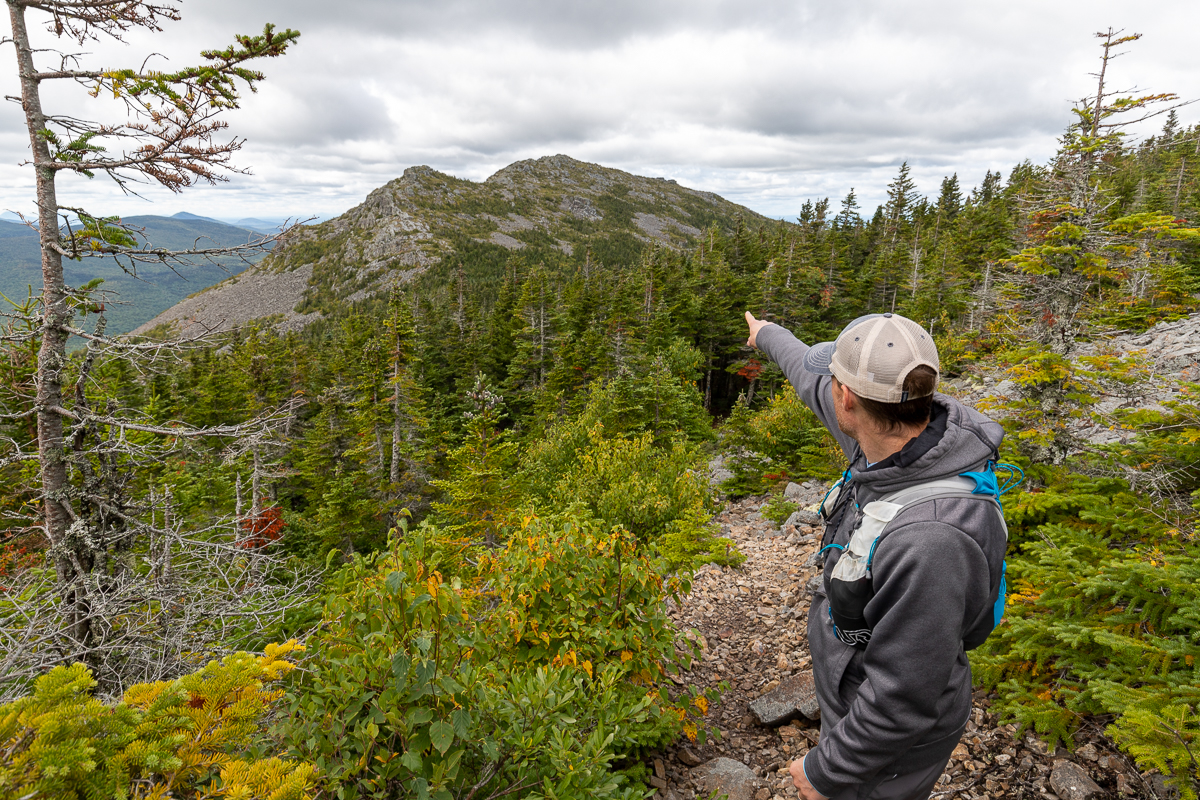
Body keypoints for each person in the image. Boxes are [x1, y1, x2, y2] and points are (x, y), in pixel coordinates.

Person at [744, 311, 1007, 800]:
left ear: (848, 397)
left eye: (836, 380)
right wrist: (766, 335)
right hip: (857, 687)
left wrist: (831, 771)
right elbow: (806, 370)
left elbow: (904, 697)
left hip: (894, 743)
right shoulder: (886, 441)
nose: (829, 388)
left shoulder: (934, 541)